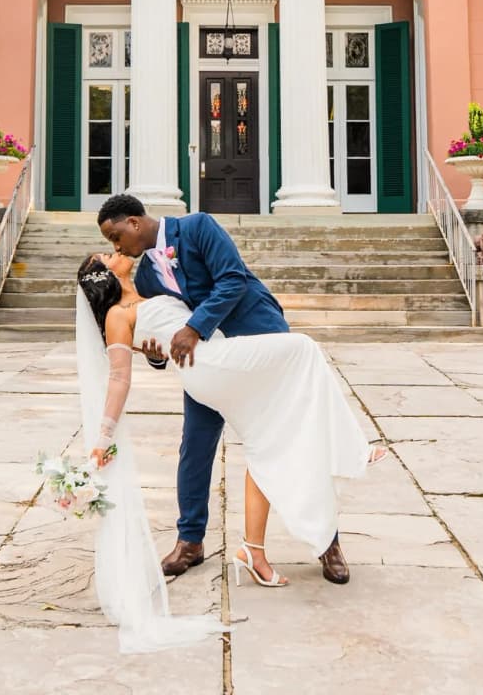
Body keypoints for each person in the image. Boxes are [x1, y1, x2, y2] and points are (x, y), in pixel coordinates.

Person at [75, 249, 382, 623]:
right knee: (304, 349)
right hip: (211, 363)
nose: (116, 249)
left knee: (272, 441)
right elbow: (121, 376)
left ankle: (261, 551)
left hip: (218, 356)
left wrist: (154, 348)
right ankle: (351, 450)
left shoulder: (148, 283)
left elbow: (164, 330)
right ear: (101, 274)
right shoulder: (115, 314)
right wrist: (103, 438)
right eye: (107, 252)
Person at [98, 193, 358, 586]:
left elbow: (232, 279)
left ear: (134, 222)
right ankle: (190, 542)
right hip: (210, 361)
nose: (116, 247)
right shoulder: (148, 278)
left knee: (291, 441)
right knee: (195, 446)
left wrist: (194, 328)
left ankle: (328, 543)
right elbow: (165, 324)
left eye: (116, 236)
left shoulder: (198, 227)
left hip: (257, 337)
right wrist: (155, 354)